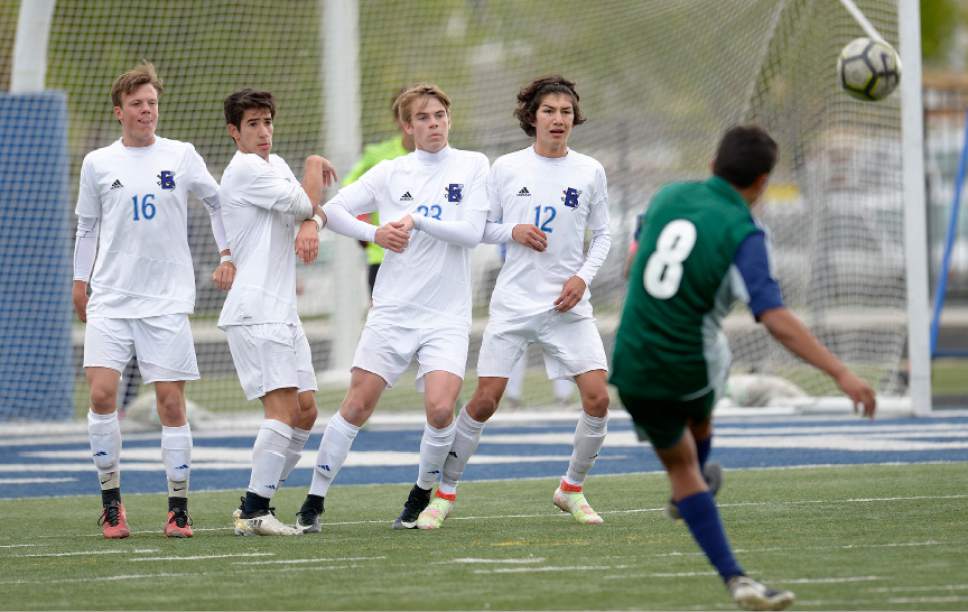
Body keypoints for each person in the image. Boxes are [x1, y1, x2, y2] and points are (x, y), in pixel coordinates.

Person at [610, 125, 877, 611]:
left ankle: (691, 491)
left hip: (628, 361)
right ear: (762, 183)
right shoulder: (745, 233)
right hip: (684, 364)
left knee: (686, 449)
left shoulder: (669, 196)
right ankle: (736, 577)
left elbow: (633, 261)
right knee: (690, 456)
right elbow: (774, 318)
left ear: (712, 165)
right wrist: (841, 373)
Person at [417, 75, 612, 530]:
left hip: (568, 305)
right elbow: (480, 227)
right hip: (514, 303)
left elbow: (603, 234)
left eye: (566, 111)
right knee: (486, 400)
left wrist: (582, 278)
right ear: (532, 117)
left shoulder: (590, 170)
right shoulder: (504, 168)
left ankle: (571, 489)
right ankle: (444, 494)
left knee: (599, 398)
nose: (558, 119)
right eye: (549, 111)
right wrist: (513, 231)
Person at [303, 83, 490, 530]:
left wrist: (419, 220)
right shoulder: (391, 171)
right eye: (423, 118)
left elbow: (471, 232)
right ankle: (313, 500)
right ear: (407, 127)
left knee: (442, 410)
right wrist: (374, 234)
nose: (434, 124)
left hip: (446, 315)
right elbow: (334, 209)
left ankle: (420, 495)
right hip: (393, 311)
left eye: (440, 115)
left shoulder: (473, 165)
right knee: (356, 405)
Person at [72, 62, 235, 539]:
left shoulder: (182, 155)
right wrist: (80, 281)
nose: (147, 111)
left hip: (166, 302)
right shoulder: (98, 163)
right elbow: (87, 227)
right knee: (102, 394)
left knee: (170, 404)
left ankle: (178, 508)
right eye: (138, 104)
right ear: (120, 111)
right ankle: (111, 503)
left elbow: (217, 201)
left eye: (152, 104)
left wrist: (228, 252)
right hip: (111, 299)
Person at [217, 89, 336, 536]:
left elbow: (313, 209)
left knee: (305, 410)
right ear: (234, 132)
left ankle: (256, 498)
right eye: (252, 124)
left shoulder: (275, 165)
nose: (264, 132)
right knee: (283, 409)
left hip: (282, 311)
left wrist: (310, 222)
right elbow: (309, 200)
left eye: (267, 121)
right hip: (255, 309)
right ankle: (255, 512)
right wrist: (313, 165)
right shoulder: (244, 170)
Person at [344, 90, 416, 296]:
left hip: (429, 260)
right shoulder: (378, 155)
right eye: (413, 115)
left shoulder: (448, 159)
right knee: (386, 324)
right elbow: (349, 191)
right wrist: (362, 222)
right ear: (399, 120)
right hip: (383, 258)